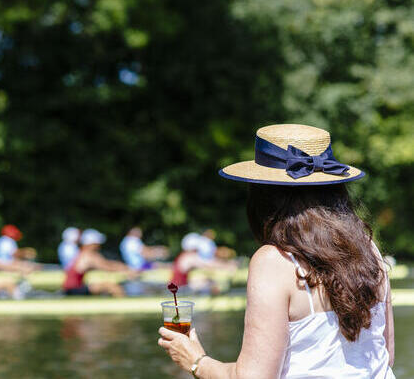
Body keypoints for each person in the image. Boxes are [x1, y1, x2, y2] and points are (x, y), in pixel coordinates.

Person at [158, 124, 394, 378]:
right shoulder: (369, 250)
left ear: (263, 194)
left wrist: (195, 360)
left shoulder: (274, 262)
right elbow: (386, 355)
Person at [63, 228, 138, 297]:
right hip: (73, 289)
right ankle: (124, 308)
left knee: (106, 286)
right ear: (91, 244)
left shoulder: (83, 253)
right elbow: (108, 266)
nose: (99, 245)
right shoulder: (89, 255)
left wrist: (125, 268)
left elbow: (108, 264)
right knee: (111, 286)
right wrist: (127, 270)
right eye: (97, 243)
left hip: (72, 287)